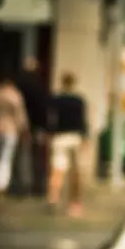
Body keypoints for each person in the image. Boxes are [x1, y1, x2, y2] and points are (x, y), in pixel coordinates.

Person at [48, 72, 90, 217]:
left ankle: (53, 196)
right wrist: (85, 137)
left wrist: (51, 133)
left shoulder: (56, 100)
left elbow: (51, 120)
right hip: (75, 137)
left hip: (60, 136)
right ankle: (75, 202)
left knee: (58, 169)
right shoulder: (79, 101)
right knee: (76, 171)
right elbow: (83, 121)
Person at [16, 57, 49, 197]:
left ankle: (21, 186)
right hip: (37, 125)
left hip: (21, 125)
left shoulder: (19, 86)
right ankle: (38, 187)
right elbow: (43, 108)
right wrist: (45, 127)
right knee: (37, 156)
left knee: (21, 155)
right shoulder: (40, 86)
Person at [0, 74, 29, 206]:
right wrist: (24, 130)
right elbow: (20, 116)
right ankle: (1, 186)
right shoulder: (14, 95)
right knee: (5, 159)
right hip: (9, 130)